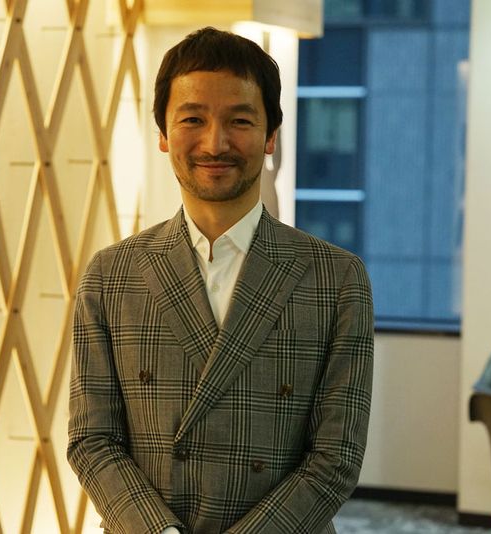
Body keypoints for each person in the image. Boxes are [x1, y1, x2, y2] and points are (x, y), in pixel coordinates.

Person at [67, 27, 374, 534]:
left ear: (271, 135)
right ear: (163, 134)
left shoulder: (336, 279)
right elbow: (92, 440)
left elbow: (336, 457)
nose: (215, 143)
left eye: (240, 120)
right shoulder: (110, 275)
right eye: (193, 119)